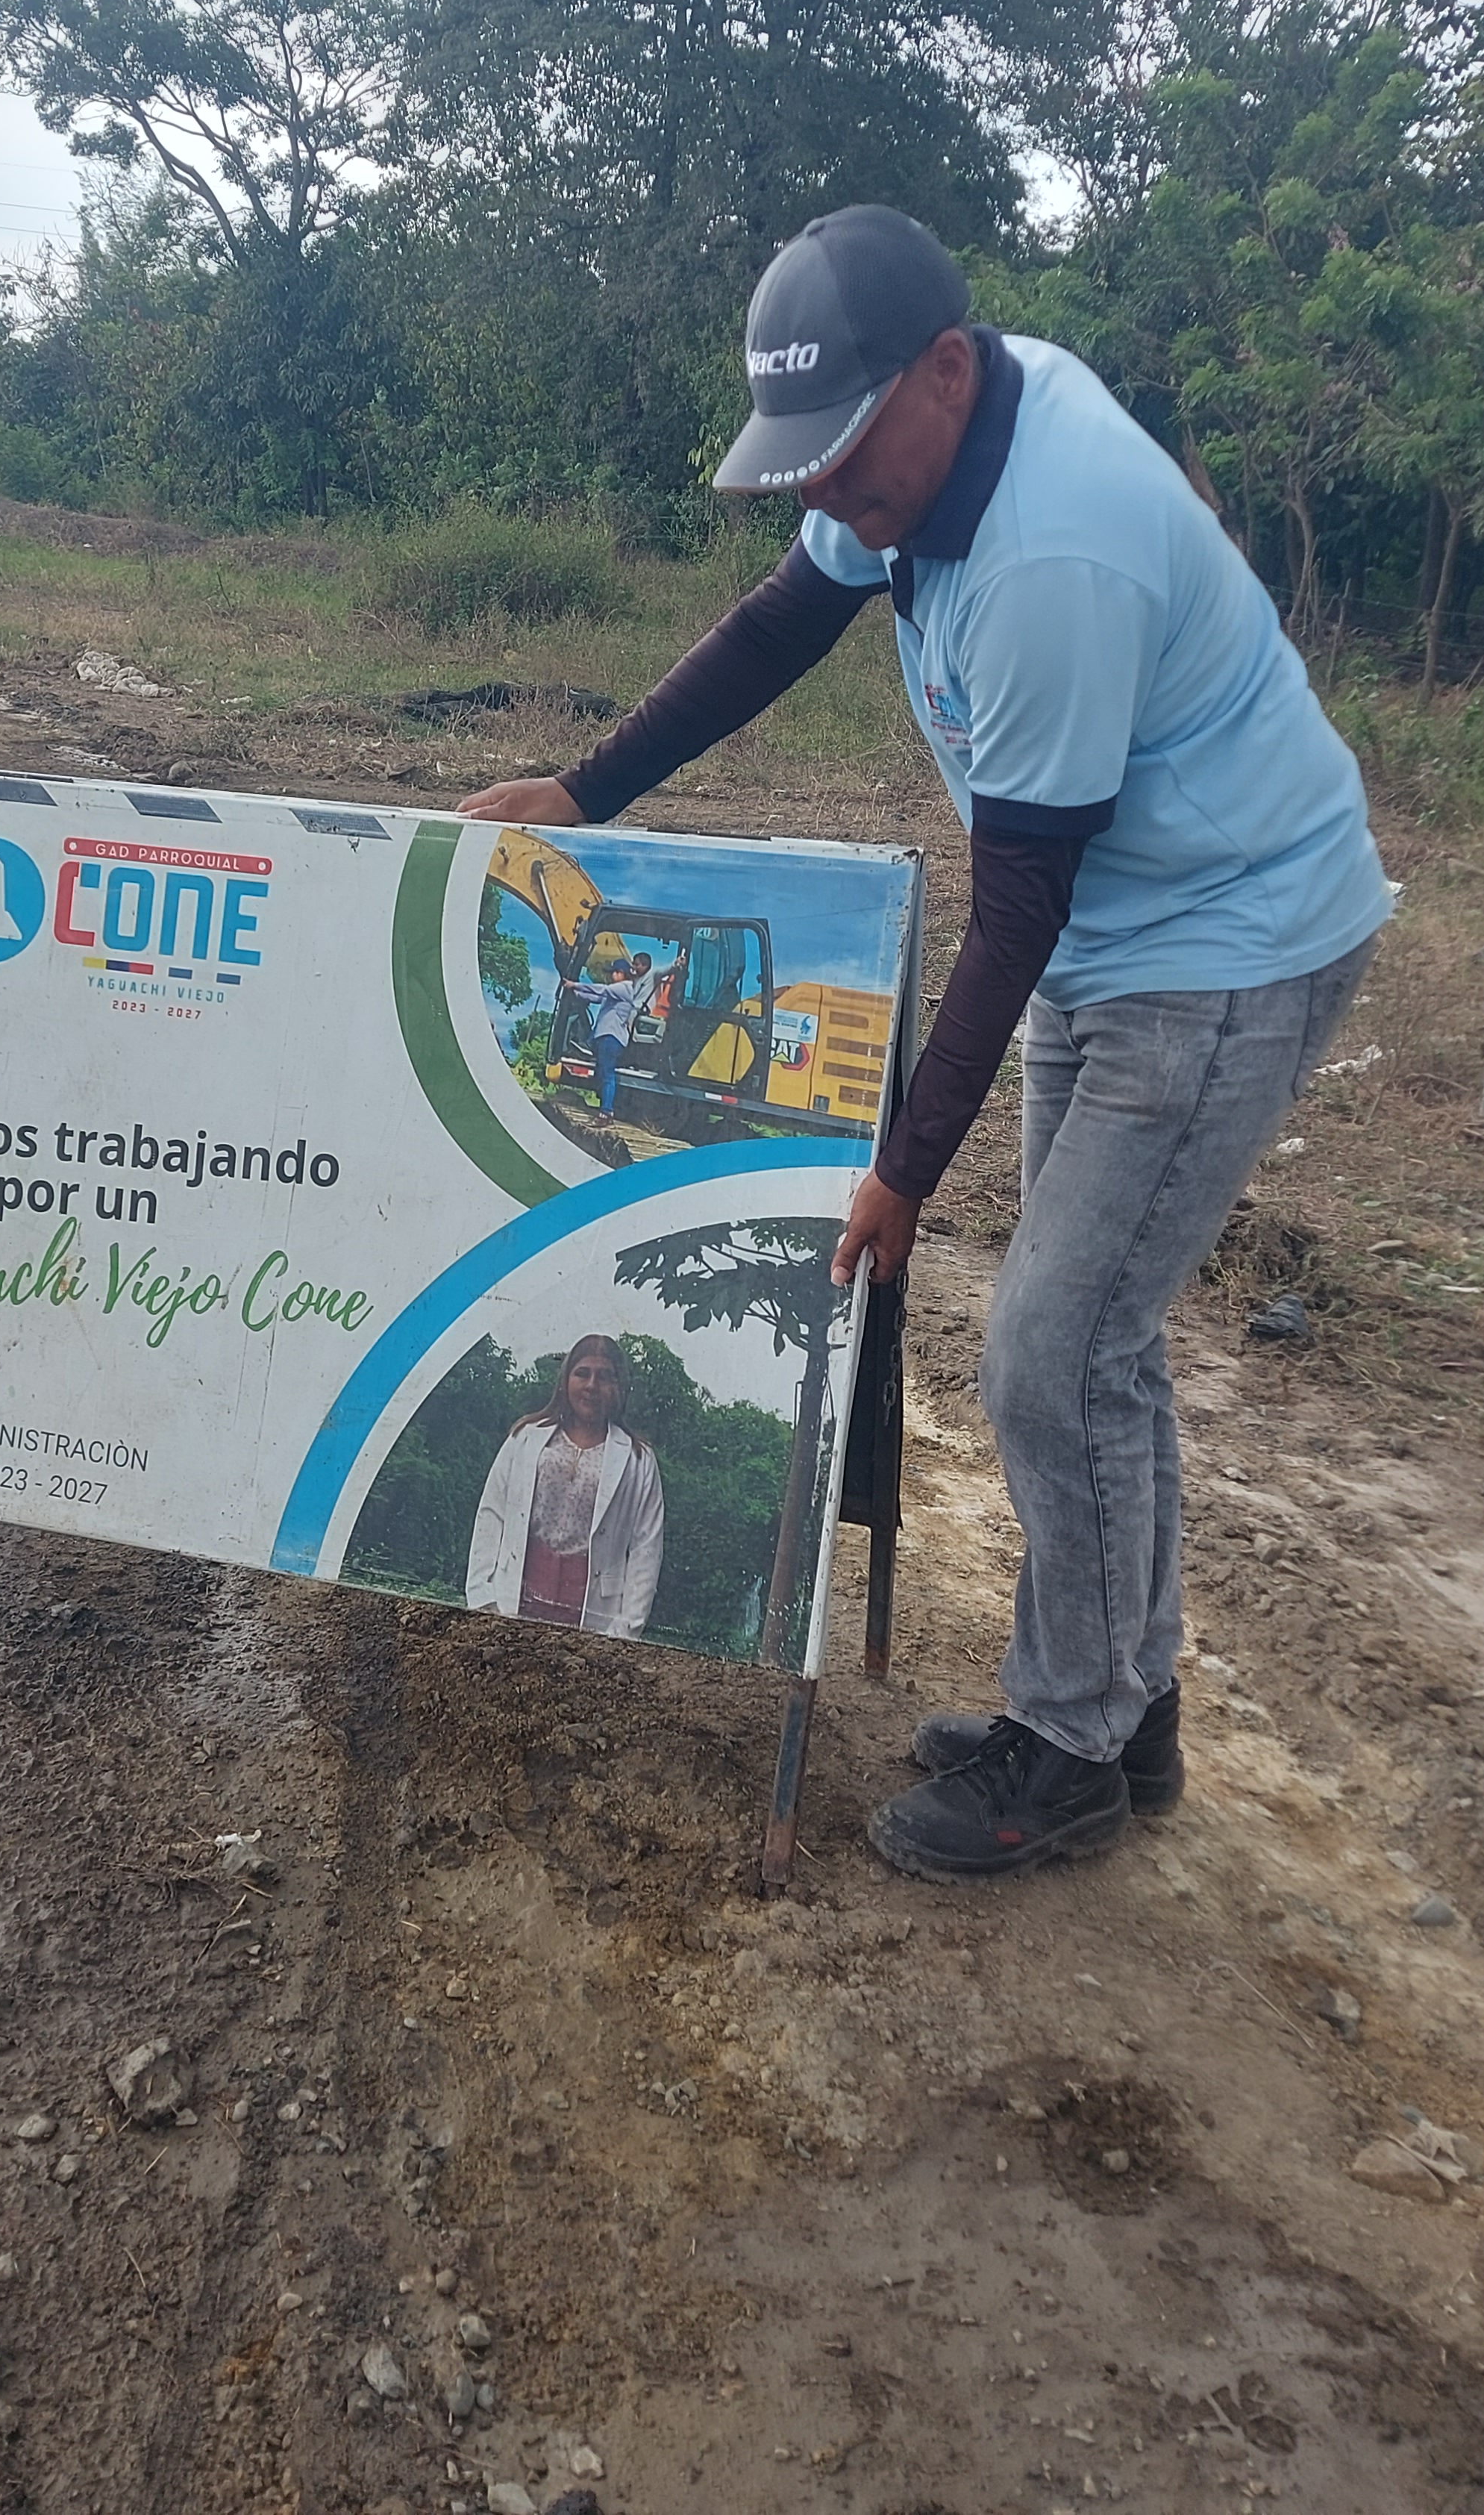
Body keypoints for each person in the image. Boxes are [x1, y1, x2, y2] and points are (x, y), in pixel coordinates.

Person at [460, 205, 1388, 1880]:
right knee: (1094, 1345)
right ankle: (1121, 1703)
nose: (823, 488)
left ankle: (1070, 1751)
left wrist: (899, 1171)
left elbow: (1010, 910)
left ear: (945, 374)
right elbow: (775, 624)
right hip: (1117, 930)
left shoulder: (1049, 556)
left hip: (1222, 944)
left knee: (1047, 1347)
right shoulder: (912, 467)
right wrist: (585, 790)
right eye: (800, 458)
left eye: (844, 449)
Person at [467, 1334, 666, 1638]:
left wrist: (623, 1632)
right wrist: (484, 1598)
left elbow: (646, 1550)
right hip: (518, 1592)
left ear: (619, 1387)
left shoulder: (638, 1459)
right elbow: (492, 1513)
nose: (592, 1386)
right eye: (582, 1373)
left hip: (592, 1608)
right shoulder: (526, 1437)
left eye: (604, 1376)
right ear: (565, 1380)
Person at [566, 952, 654, 1118]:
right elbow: (596, 997)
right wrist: (577, 994)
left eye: (613, 972)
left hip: (611, 1038)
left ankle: (606, 1111)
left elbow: (601, 990)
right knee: (603, 1073)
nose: (610, 975)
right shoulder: (615, 993)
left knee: (607, 1074)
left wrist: (575, 985)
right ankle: (605, 1107)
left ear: (621, 973)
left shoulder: (625, 988)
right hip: (605, 1036)